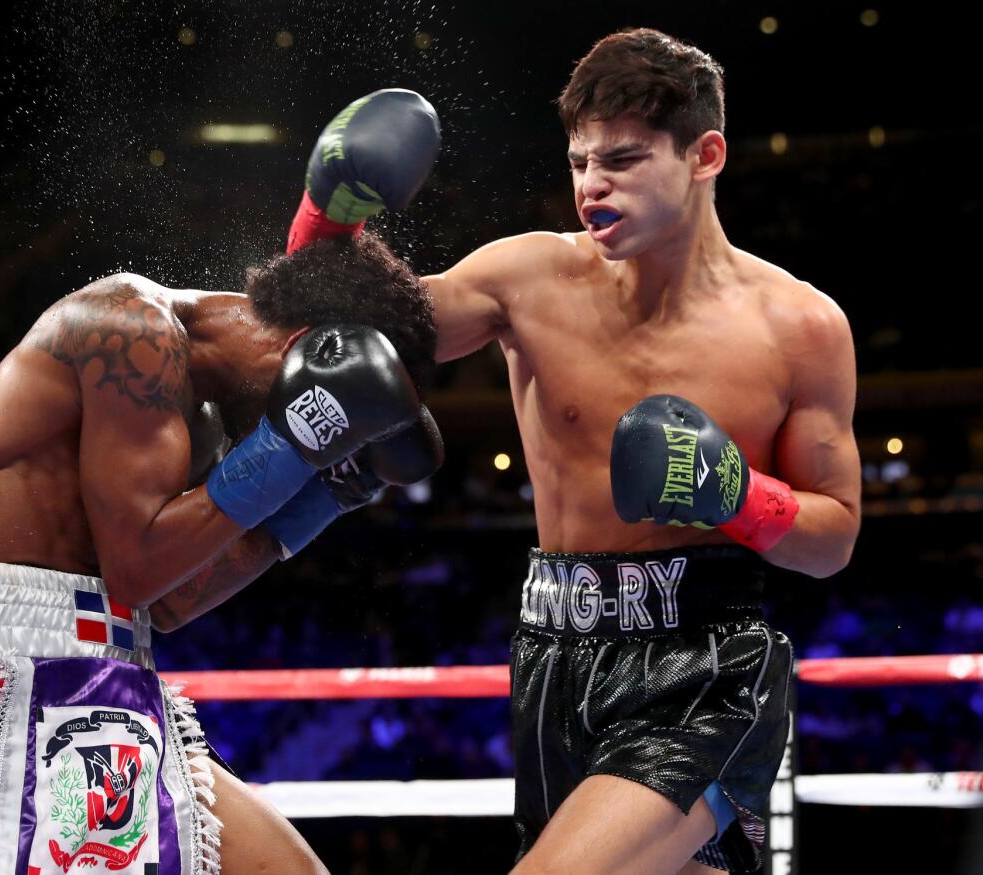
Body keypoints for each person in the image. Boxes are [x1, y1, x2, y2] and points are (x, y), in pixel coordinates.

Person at [289, 31, 861, 875]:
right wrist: (325, 214)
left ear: (706, 155)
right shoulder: (528, 280)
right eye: (579, 161)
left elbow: (835, 536)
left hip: (704, 667)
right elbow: (336, 344)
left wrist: (737, 494)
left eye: (623, 160)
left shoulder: (800, 326)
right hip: (554, 659)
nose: (593, 186)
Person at [0, 230, 443, 875]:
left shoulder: (198, 411)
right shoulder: (129, 328)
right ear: (304, 351)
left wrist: (325, 494)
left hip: (109, 658)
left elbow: (169, 601)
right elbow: (139, 572)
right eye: (334, 424)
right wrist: (294, 442)